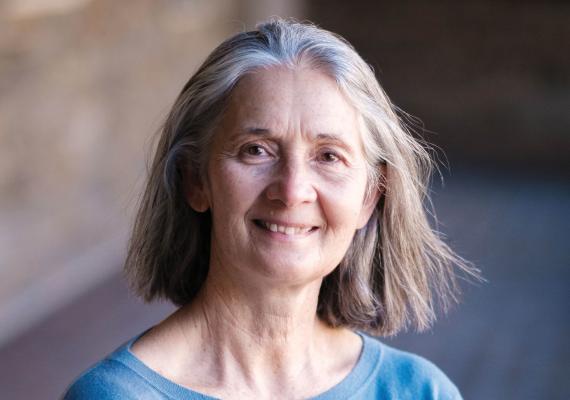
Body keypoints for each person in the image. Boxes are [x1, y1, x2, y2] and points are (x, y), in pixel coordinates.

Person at [64, 18, 478, 399]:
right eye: (256, 150)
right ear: (196, 180)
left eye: (329, 157)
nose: (293, 189)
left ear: (369, 197)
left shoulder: (420, 392)